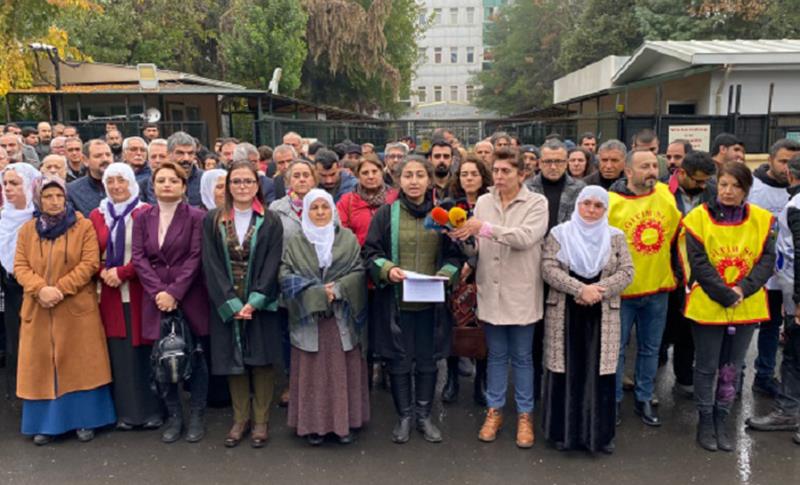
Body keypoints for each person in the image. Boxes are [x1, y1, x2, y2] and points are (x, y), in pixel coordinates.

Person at [449, 148, 547, 449]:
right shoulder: (483, 202)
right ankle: (494, 411)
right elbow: (478, 247)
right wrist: (466, 241)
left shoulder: (536, 202)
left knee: (522, 357)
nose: (500, 176)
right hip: (491, 292)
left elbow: (525, 238)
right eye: (497, 170)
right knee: (496, 356)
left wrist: (485, 228)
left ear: (522, 174)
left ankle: (525, 415)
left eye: (507, 171)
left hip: (521, 293)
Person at [364, 156, 464, 444]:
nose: (414, 181)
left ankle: (424, 416)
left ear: (429, 180)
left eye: (420, 175)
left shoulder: (440, 216)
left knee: (428, 361)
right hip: (397, 303)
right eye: (408, 175)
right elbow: (370, 252)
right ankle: (405, 416)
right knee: (399, 361)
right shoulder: (386, 214)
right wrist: (387, 269)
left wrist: (447, 272)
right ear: (398, 180)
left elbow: (454, 254)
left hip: (431, 305)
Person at [14, 176, 115, 445]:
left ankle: (87, 421)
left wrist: (59, 288)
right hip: (39, 307)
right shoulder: (27, 230)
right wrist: (40, 289)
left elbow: (90, 262)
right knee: (42, 367)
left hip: (74, 306)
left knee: (81, 365)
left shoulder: (82, 226)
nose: (55, 201)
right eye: (48, 196)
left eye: (59, 196)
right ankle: (46, 425)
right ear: (39, 199)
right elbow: (20, 266)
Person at [682, 162, 775, 452]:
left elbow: (766, 260)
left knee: (731, 367)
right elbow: (698, 263)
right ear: (716, 185)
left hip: (745, 304)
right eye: (723, 184)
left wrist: (743, 289)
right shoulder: (698, 218)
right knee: (707, 366)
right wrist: (724, 293)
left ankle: (722, 418)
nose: (728, 191)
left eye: (736, 186)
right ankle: (705, 420)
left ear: (746, 189)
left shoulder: (763, 219)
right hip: (709, 303)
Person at [541, 186, 634, 454]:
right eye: (586, 204)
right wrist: (580, 289)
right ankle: (563, 434)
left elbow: (627, 271)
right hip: (566, 311)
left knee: (599, 372)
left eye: (598, 206)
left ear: (605, 209)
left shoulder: (615, 237)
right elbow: (548, 268)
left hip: (601, 312)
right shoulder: (560, 234)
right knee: (565, 370)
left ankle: (598, 437)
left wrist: (597, 291)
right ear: (577, 205)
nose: (591, 211)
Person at [203, 161, 284, 448]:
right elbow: (210, 264)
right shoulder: (212, 219)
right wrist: (230, 302)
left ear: (257, 185)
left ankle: (261, 420)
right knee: (234, 360)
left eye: (248, 181)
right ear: (227, 186)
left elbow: (274, 261)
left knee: (261, 361)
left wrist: (255, 300)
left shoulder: (271, 220)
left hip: (259, 301)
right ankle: (240, 419)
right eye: (236, 181)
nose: (242, 186)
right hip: (227, 300)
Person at [281, 188, 369, 445]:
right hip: (309, 318)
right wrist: (317, 293)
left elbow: (359, 270)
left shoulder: (348, 238)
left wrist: (338, 289)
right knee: (313, 373)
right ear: (306, 211)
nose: (320, 213)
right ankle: (313, 426)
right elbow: (285, 275)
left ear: (332, 210)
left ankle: (345, 423)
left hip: (342, 316)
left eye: (325, 207)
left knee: (343, 372)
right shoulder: (296, 241)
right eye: (314, 208)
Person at [132, 161, 209, 444]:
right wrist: (159, 293)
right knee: (162, 358)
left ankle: (197, 415)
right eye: (161, 180)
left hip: (189, 295)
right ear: (153, 185)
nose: (167, 184)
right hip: (156, 298)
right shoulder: (142, 218)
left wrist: (174, 292)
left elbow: (195, 257)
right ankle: (175, 417)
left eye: (173, 180)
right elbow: (139, 258)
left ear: (183, 186)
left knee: (196, 357)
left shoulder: (197, 216)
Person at [608, 149, 681, 427]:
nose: (652, 171)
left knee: (651, 349)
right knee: (616, 350)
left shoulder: (664, 194)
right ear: (628, 171)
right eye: (644, 166)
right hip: (622, 292)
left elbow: (676, 234)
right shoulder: (612, 202)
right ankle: (612, 401)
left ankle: (644, 397)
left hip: (658, 289)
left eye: (654, 165)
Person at [88, 163, 162, 431]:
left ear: (132, 183)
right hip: (109, 292)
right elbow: (88, 252)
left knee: (144, 351)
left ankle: (153, 410)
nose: (116, 186)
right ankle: (127, 413)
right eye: (111, 181)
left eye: (122, 180)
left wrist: (124, 271)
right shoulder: (96, 216)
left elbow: (152, 252)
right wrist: (103, 271)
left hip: (140, 289)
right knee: (119, 353)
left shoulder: (145, 212)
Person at [748, 153, 800, 445]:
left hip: (796, 294)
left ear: (792, 176)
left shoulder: (796, 205)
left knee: (795, 356)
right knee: (792, 354)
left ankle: (789, 411)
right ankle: (789, 410)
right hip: (786, 288)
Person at [662, 151, 716, 397]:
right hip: (666, 272)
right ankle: (650, 383)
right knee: (660, 332)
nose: (702, 185)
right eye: (697, 180)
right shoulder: (663, 192)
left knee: (688, 330)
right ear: (681, 173)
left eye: (705, 181)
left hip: (698, 274)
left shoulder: (712, 192)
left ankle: (684, 378)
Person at [439, 154, 492, 406]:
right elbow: (442, 241)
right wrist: (458, 265)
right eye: (464, 174)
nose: (469, 178)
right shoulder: (450, 205)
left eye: (474, 174)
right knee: (454, 327)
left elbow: (495, 239)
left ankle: (481, 381)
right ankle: (451, 379)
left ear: (483, 177)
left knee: (483, 329)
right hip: (456, 275)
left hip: (487, 275)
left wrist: (474, 262)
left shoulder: (492, 204)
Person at [269, 159, 319, 407]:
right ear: (287, 180)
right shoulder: (276, 209)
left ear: (314, 178)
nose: (301, 179)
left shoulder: (324, 204)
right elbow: (271, 247)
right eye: (296, 175)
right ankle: (293, 382)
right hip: (287, 281)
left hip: (318, 281)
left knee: (316, 332)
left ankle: (316, 381)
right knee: (289, 334)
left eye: (306, 175)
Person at [0, 164, 42, 399]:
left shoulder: (39, 219)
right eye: (5, 183)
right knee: (16, 345)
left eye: (15, 183)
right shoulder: (4, 218)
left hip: (35, 290)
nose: (8, 188)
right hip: (11, 292)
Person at [336, 155, 398, 245]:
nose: (371, 176)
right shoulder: (346, 201)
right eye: (365, 173)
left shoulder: (395, 197)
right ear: (357, 176)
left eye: (374, 171)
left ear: (381, 172)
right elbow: (342, 233)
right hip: (359, 254)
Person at [67, 139, 112, 217]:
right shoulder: (72, 191)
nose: (105, 159)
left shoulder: (127, 186)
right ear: (85, 160)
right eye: (98, 156)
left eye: (108, 155)